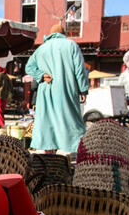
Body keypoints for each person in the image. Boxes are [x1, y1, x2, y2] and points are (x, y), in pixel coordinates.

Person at [25, 24, 89, 154]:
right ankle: (73, 153)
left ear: (50, 34)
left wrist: (41, 75)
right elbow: (80, 70)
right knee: (70, 121)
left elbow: (29, 68)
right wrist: (83, 89)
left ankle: (50, 157)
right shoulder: (71, 45)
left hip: (46, 92)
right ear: (63, 33)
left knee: (48, 123)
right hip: (67, 90)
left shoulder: (41, 49)